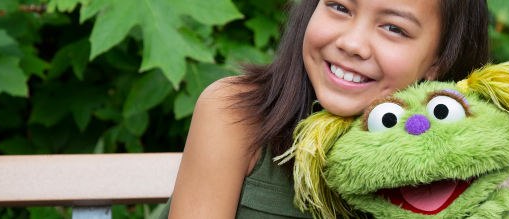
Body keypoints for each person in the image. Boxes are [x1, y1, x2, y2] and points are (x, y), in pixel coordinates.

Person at [161, 0, 490, 218]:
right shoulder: (235, 113)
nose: (352, 43)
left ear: (437, 61)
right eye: (338, 6)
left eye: (394, 28)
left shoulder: (459, 153)